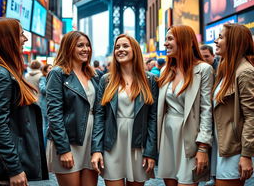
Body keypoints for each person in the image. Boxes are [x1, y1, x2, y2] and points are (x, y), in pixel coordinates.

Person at [91, 34, 158, 186]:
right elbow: (100, 116)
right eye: (117, 47)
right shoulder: (106, 80)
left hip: (138, 143)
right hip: (112, 143)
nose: (120, 50)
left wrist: (150, 151)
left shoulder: (149, 80)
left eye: (125, 46)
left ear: (135, 50)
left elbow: (153, 118)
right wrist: (96, 149)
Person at [157, 25, 213, 186]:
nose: (165, 44)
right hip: (167, 136)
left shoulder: (204, 70)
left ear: (185, 41)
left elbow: (206, 110)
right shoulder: (165, 71)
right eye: (165, 39)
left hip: (190, 138)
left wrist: (203, 147)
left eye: (170, 39)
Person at [46, 31, 101, 186]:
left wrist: (97, 147)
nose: (86, 49)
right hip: (68, 142)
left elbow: (98, 111)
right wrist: (63, 150)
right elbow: (54, 114)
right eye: (80, 45)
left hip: (90, 141)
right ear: (69, 48)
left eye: (87, 45)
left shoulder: (93, 74)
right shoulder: (58, 73)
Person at [0, 18, 48, 185]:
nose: (25, 39)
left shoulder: (5, 72)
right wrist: (14, 168)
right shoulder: (3, 75)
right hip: (6, 171)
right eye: (21, 35)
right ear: (8, 40)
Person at [211, 23, 254, 186]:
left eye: (221, 37)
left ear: (234, 42)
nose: (216, 40)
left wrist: (246, 155)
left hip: (235, 150)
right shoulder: (226, 70)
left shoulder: (245, 72)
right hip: (223, 145)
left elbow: (251, 116)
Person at [39, 63, 52, 148]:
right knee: (46, 126)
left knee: (48, 126)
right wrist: (52, 87)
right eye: (50, 68)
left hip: (50, 104)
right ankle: (44, 146)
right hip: (45, 105)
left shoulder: (51, 77)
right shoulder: (43, 78)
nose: (52, 69)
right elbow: (43, 89)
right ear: (46, 70)